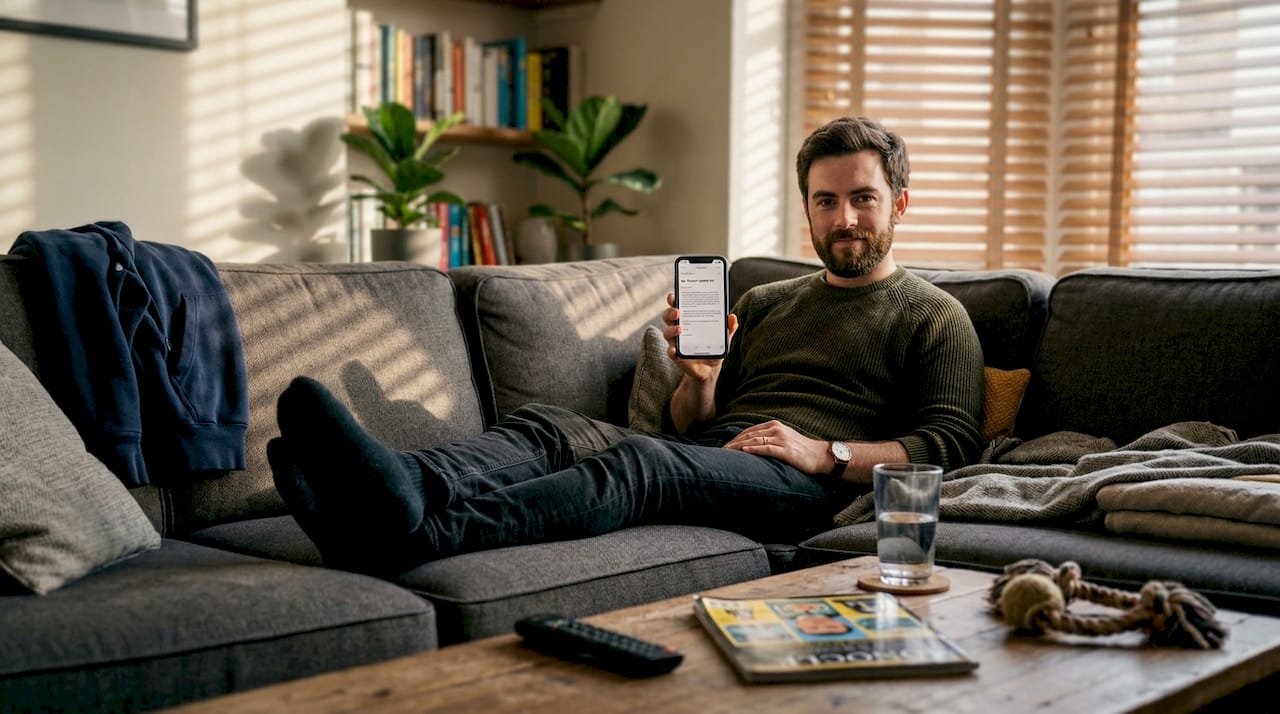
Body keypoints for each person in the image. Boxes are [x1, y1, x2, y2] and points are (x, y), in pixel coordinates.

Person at [269, 116, 984, 575]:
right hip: (722, 458)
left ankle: (413, 538)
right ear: (808, 209)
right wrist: (698, 378)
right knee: (545, 424)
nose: (845, 218)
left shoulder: (934, 315)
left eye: (863, 198)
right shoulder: (767, 301)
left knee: (639, 462)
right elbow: (692, 429)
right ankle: (403, 484)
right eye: (826, 201)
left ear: (899, 203)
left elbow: (951, 446)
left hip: (809, 490)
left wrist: (820, 453)